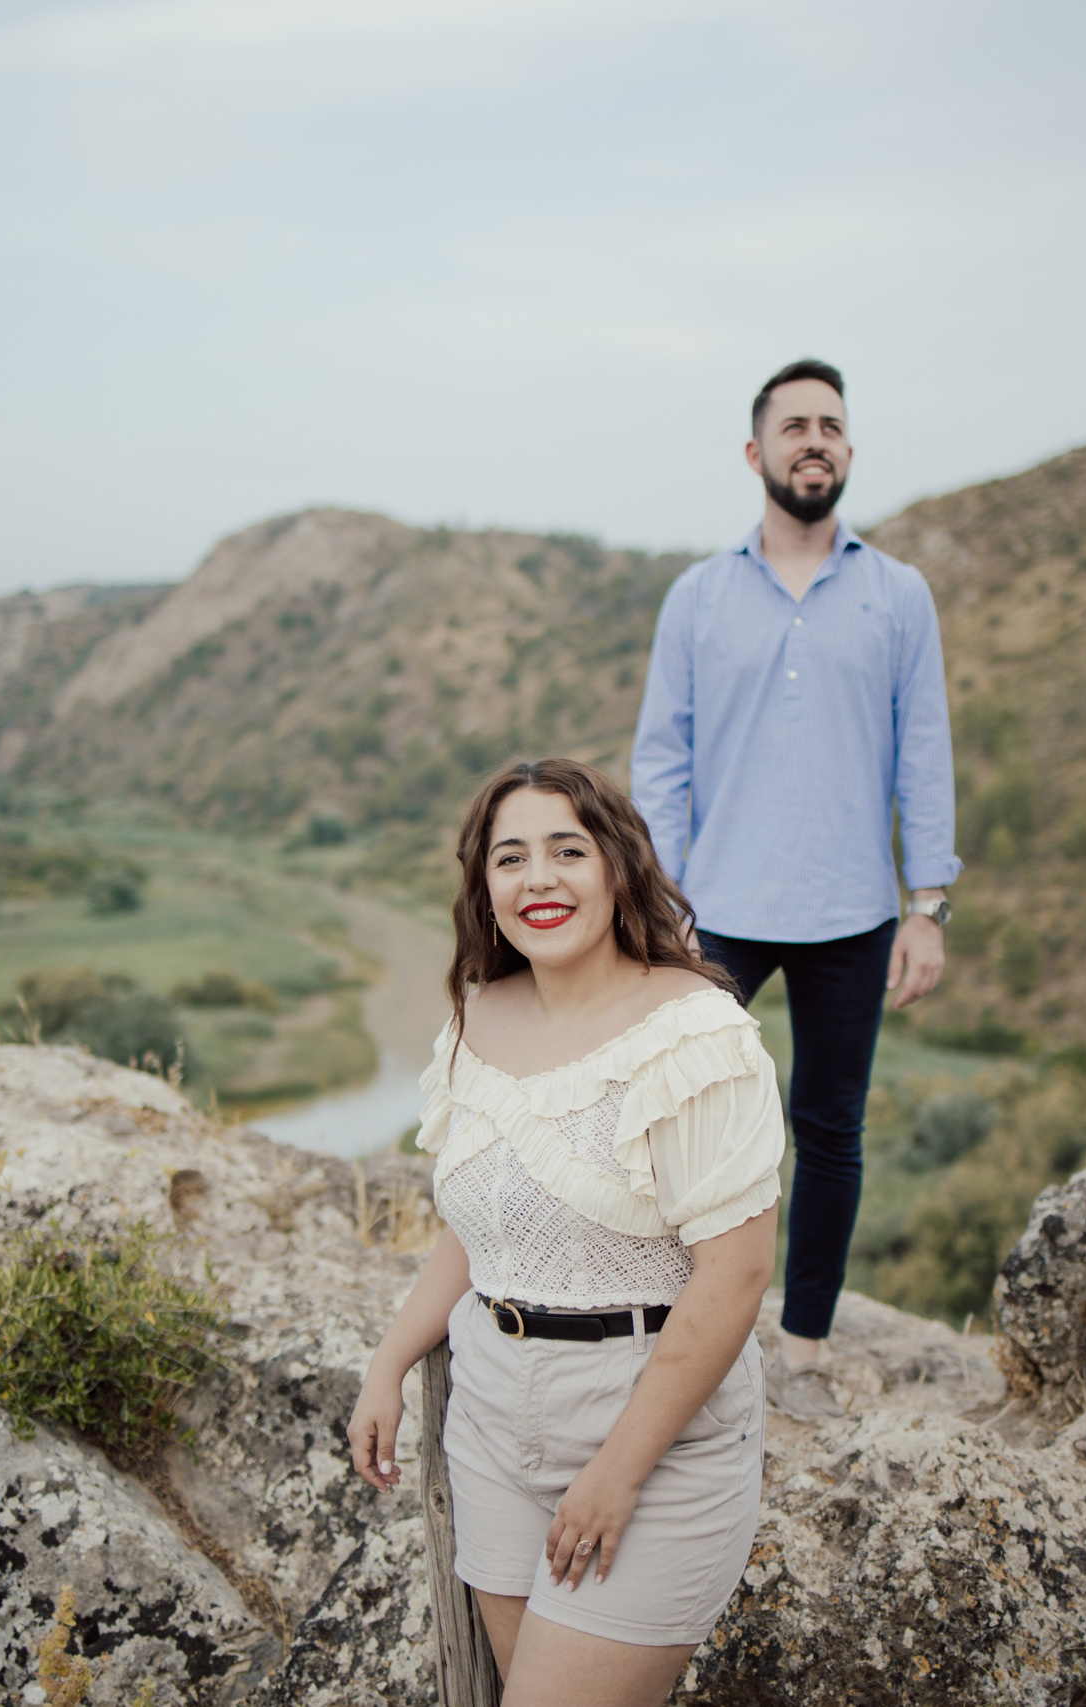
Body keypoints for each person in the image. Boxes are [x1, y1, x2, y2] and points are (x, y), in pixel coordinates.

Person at [348, 758, 783, 1706]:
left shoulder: (698, 1036)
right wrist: (388, 1363)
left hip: (652, 1430)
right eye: (510, 858)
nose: (537, 878)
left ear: (618, 867)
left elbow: (736, 1276)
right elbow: (482, 1233)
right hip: (494, 1422)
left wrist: (618, 1471)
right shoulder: (474, 1016)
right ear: (485, 889)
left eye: (566, 850)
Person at [630, 357, 959, 1419]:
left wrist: (928, 907)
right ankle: (666, 1332)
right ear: (755, 453)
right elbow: (660, 760)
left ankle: (804, 1351)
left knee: (827, 1130)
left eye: (830, 425)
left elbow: (926, 757)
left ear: (847, 452)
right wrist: (665, 895)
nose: (812, 440)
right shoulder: (698, 595)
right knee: (676, 1123)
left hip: (851, 912)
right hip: (714, 910)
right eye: (793, 426)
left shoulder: (897, 594)